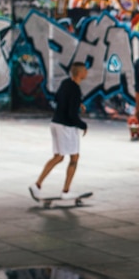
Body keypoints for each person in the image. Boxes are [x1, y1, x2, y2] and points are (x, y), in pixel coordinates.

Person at [29, 62, 88, 200]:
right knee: (73, 157)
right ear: (79, 73)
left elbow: (58, 98)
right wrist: (83, 125)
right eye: (85, 70)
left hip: (55, 123)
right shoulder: (75, 89)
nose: (86, 72)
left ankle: (37, 186)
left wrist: (77, 103)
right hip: (66, 127)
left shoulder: (66, 83)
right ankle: (65, 191)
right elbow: (71, 115)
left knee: (59, 157)